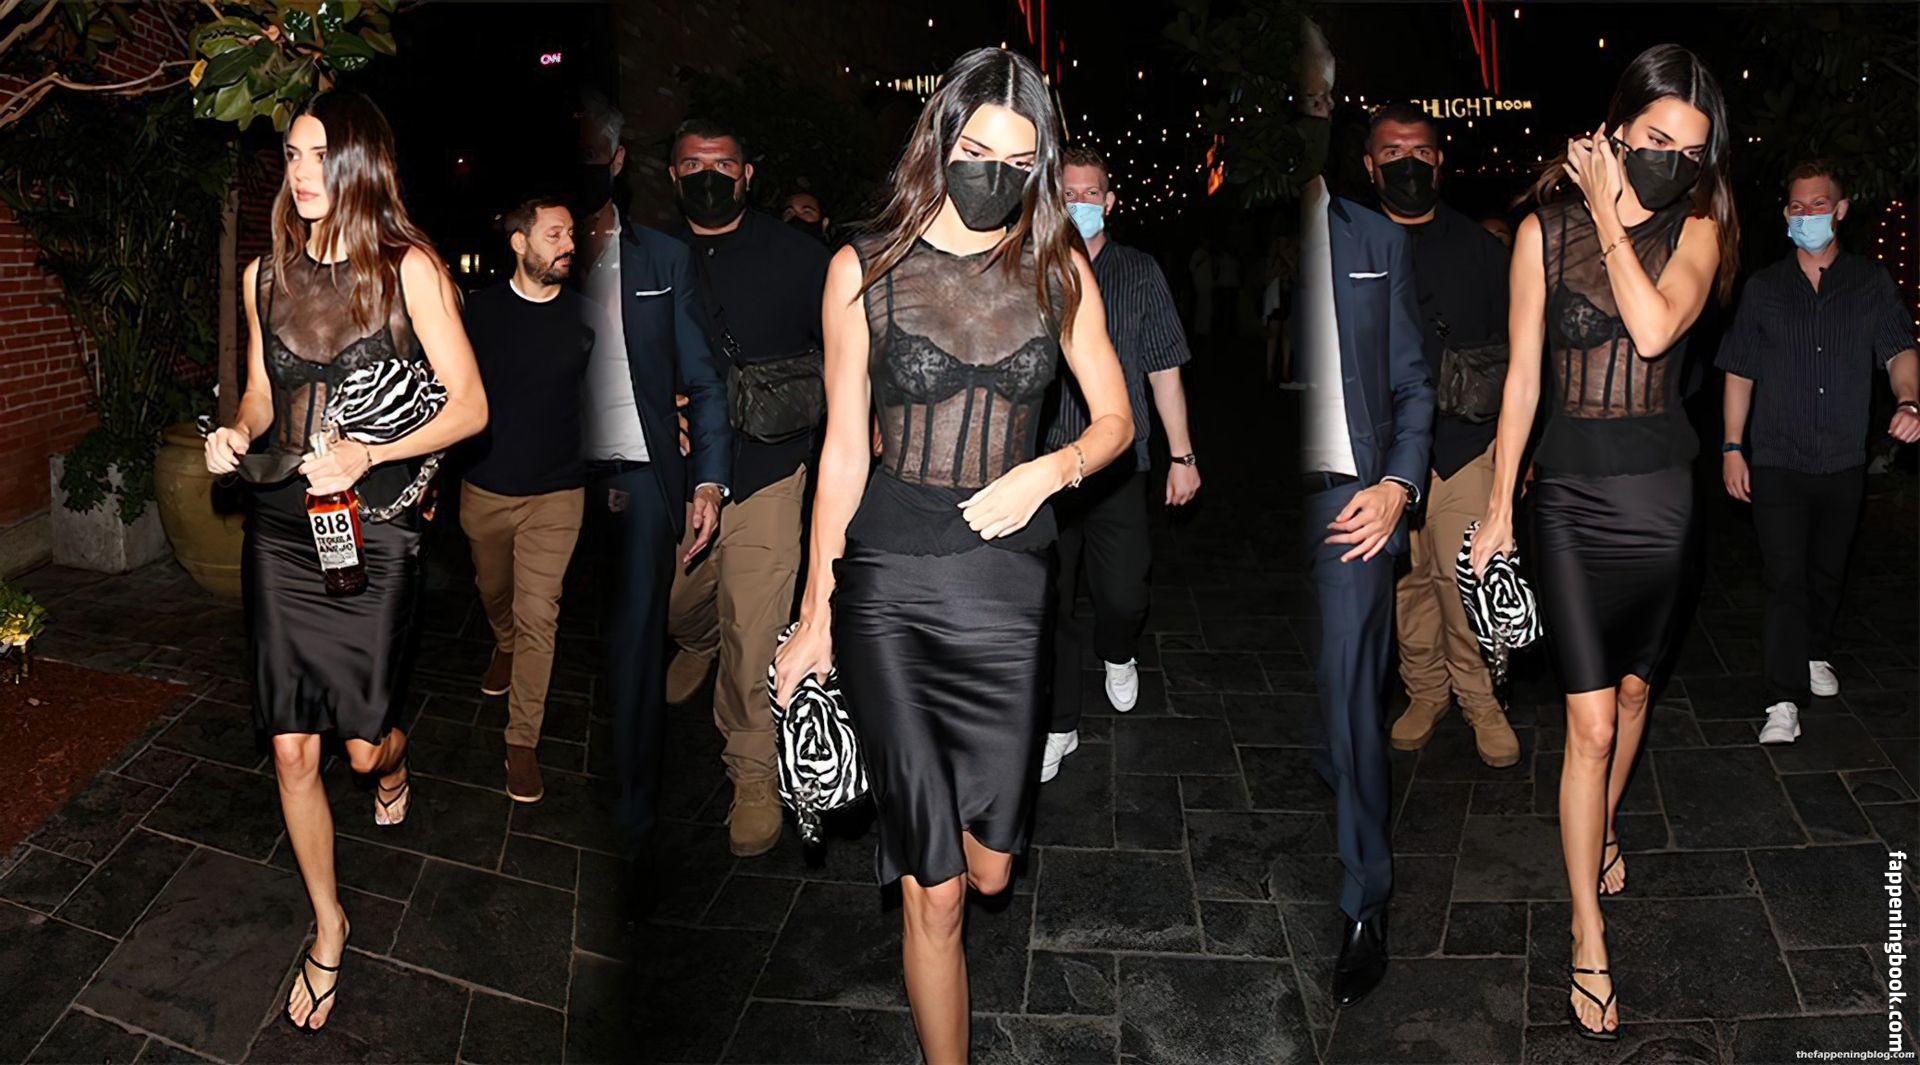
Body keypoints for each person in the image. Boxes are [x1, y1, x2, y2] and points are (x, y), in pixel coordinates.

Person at [772, 48, 1131, 1063]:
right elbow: (844, 453)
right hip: (888, 581)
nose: (993, 177)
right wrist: (815, 612)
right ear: (939, 142)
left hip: (1006, 590)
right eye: (976, 152)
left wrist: (1048, 470)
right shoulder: (864, 266)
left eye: (1017, 163)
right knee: (933, 892)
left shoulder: (1057, 268)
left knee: (989, 872)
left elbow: (1115, 421)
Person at [202, 91, 487, 1031]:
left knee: (361, 749)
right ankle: (330, 923)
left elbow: (470, 406)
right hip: (283, 526)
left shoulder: (410, 272)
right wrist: (235, 433)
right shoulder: (264, 276)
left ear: (360, 163)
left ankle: (395, 757)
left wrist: (370, 452)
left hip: (374, 525)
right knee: (292, 747)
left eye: (320, 155)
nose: (301, 173)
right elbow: (259, 394)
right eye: (291, 154)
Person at [1471, 44, 1739, 1040]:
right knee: (1587, 723)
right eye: (1657, 138)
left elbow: (1657, 330)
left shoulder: (1700, 226)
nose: (1674, 161)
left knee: (1633, 697)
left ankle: (1607, 824)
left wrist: (1612, 218)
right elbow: (1522, 380)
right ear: (1616, 128)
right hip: (1572, 502)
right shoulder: (1540, 234)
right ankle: (1587, 928)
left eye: (1692, 150)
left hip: (1663, 501)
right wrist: (1499, 505)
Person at [1293, 17, 1434, 1009]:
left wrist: (1396, 485)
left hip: (1351, 499)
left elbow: (1415, 381)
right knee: (1327, 699)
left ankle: (1364, 897)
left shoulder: (1376, 237)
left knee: (1352, 693)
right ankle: (1339, 765)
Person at [662, 117, 831, 857]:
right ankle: (696, 640)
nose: (709, 176)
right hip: (680, 472)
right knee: (679, 601)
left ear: (746, 174)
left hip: (769, 465)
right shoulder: (651, 256)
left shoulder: (799, 257)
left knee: (753, 630)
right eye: (693, 165)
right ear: (673, 175)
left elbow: (846, 346)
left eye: (723, 165)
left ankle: (753, 775)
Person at [572, 88, 732, 844]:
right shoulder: (537, 253)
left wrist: (707, 480)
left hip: (635, 481)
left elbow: (703, 378)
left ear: (616, 160)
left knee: (636, 644)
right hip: (551, 484)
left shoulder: (664, 260)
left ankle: (634, 807)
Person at [1718, 160, 1920, 745]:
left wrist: (1909, 401)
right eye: (1797, 206)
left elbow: (1899, 350)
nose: (1806, 215)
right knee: (1784, 578)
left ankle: (1813, 651)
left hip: (1842, 458)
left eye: (1818, 205)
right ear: (1786, 214)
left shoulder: (1870, 282)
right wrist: (1732, 446)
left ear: (1841, 210)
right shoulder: (1764, 288)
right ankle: (1782, 698)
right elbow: (1740, 371)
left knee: (1827, 572)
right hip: (1777, 457)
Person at [1361, 102, 1519, 768]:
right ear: (1370, 166)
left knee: (1467, 581)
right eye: (1393, 153)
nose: (1409, 164)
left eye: (1421, 152)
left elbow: (1520, 358)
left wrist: (1517, 456)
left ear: (1440, 161)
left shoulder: (1483, 251)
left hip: (1465, 447)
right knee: (1406, 585)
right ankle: (1425, 692)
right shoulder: (1352, 248)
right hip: (1382, 456)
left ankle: (1482, 701)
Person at [1040, 143, 1200, 782]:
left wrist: (1182, 456)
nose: (1079, 203)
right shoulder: (1030, 268)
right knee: (1048, 602)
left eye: (1090, 193)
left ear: (1109, 201)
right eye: (1067, 193)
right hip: (1046, 467)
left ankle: (1117, 650)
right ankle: (1060, 723)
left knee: (1125, 593)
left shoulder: (1139, 272)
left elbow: (1164, 370)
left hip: (1118, 467)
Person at [459, 197, 595, 804]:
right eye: (554, 234)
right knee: (495, 590)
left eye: (571, 234)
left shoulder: (589, 318)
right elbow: (446, 395)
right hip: (486, 486)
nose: (568, 244)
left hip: (558, 492)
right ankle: (504, 642)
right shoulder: (476, 313)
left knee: (540, 612)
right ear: (519, 243)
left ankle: (521, 742)